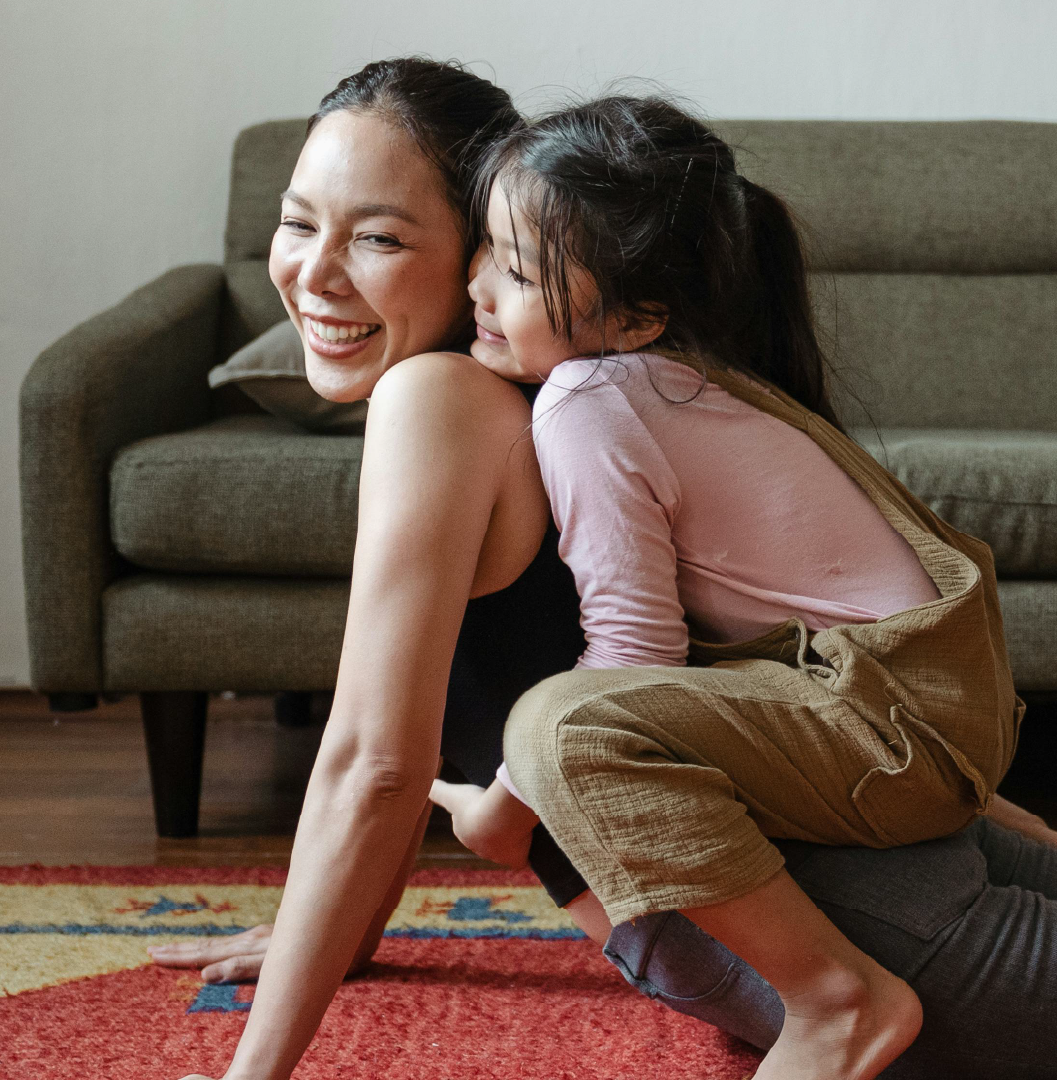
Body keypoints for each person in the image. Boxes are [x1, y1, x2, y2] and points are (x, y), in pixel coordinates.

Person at [157, 60, 1057, 1080]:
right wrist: (330, 936)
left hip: (860, 924)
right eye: (296, 222)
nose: (314, 273)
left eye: (378, 237)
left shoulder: (449, 402)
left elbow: (377, 764)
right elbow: (412, 730)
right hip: (893, 870)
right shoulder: (578, 388)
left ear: (475, 249)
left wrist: (252, 1074)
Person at [427, 96, 1020, 1079]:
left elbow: (631, 652)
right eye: (485, 250)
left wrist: (506, 807)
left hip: (892, 727)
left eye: (521, 270)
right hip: (929, 715)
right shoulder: (680, 380)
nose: (480, 288)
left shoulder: (591, 397)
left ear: (640, 315)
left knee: (561, 725)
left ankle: (836, 1005)